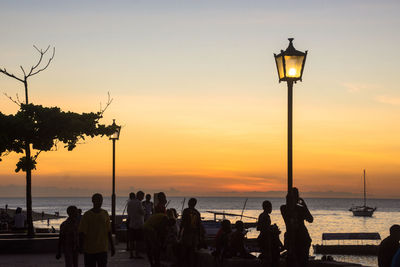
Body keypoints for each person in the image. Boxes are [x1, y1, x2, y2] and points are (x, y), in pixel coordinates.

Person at [79, 193, 115, 267]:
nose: (99, 202)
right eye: (97, 200)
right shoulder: (87, 215)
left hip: (102, 248)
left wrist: (112, 246)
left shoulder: (105, 213)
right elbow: (82, 233)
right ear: (93, 201)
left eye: (100, 200)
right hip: (89, 249)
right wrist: (81, 246)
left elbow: (109, 231)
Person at [280, 187, 313, 267]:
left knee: (302, 261)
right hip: (292, 239)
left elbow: (310, 219)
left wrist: (304, 205)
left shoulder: (300, 209)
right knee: (293, 261)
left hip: (303, 238)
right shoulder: (284, 208)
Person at [179, 198, 204, 267]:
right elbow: (199, 226)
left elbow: (182, 223)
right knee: (192, 251)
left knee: (184, 251)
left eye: (189, 202)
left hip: (187, 234)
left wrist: (179, 233)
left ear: (189, 203)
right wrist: (199, 237)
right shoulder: (197, 213)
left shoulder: (186, 211)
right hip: (194, 235)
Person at [127, 190, 145, 259]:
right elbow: (142, 212)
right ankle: (137, 254)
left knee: (132, 240)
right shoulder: (139, 203)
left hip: (131, 223)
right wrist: (144, 210)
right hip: (139, 224)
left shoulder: (130, 202)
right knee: (138, 240)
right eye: (142, 196)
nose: (143, 198)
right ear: (139, 196)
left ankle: (131, 254)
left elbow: (128, 212)